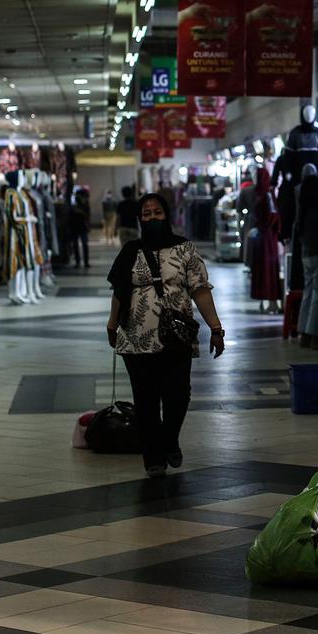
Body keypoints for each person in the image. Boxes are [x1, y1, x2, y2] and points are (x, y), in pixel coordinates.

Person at [106, 193, 225, 478]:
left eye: (157, 213)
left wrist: (216, 328)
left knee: (178, 395)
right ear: (140, 219)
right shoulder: (130, 251)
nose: (152, 218)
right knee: (145, 400)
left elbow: (200, 290)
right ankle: (153, 457)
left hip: (176, 337)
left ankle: (170, 439)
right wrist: (111, 325)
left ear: (167, 215)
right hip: (136, 338)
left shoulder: (185, 249)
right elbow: (119, 292)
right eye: (146, 214)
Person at [295, 167, 318, 349]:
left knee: (308, 293)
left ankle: (303, 333)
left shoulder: (303, 209)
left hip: (305, 255)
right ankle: (315, 335)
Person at [69, 187, 92, 269]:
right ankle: (78, 262)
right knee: (77, 245)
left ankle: (85, 262)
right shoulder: (74, 205)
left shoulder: (85, 205)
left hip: (82, 227)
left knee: (84, 244)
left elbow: (87, 216)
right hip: (76, 227)